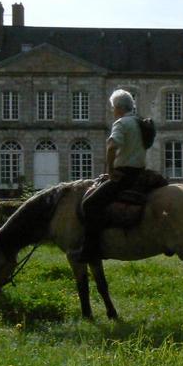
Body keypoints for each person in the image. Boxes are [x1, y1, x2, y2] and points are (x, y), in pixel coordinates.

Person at [74, 89, 146, 262]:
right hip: (140, 173)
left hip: (124, 175)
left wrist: (111, 170)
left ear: (119, 108)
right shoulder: (141, 122)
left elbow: (112, 146)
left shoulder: (121, 123)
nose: (112, 111)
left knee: (90, 203)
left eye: (113, 108)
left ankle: (92, 248)